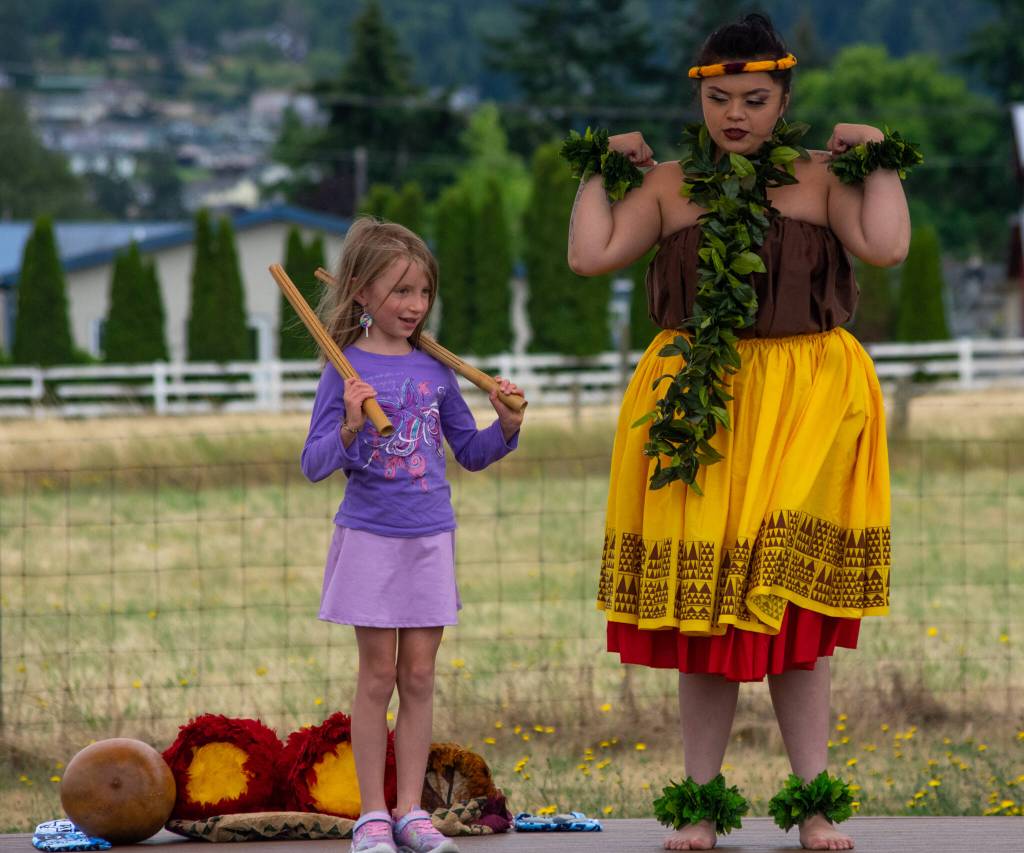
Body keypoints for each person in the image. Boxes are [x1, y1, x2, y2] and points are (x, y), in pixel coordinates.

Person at [567, 13, 911, 852]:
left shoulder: (821, 178)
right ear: (699, 97)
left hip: (806, 404)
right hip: (700, 406)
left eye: (754, 100)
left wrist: (879, 157)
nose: (735, 115)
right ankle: (699, 804)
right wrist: (600, 171)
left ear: (784, 99)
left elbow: (888, 245)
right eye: (720, 99)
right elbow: (589, 255)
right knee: (706, 615)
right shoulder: (670, 185)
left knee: (791, 604)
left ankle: (815, 804)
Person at [300, 218, 524, 853]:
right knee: (377, 676)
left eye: (423, 291)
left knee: (419, 675)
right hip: (371, 538)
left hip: (430, 538)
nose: (415, 304)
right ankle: (372, 815)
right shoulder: (344, 369)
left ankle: (410, 812)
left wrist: (506, 426)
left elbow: (470, 452)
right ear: (361, 293)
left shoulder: (435, 370)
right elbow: (313, 464)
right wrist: (349, 425)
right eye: (400, 290)